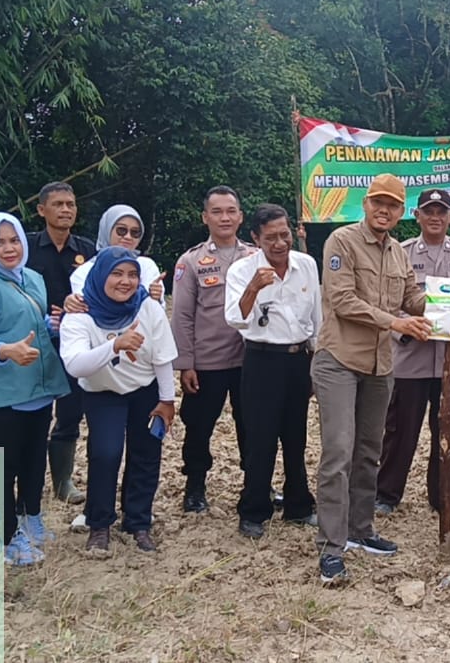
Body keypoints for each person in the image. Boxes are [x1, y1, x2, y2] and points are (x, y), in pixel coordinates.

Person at [312, 174, 431, 584]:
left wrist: (446, 299)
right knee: (338, 453)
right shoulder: (341, 242)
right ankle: (331, 546)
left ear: (401, 212)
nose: (385, 210)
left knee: (368, 451)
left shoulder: (399, 253)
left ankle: (361, 531)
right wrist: (396, 321)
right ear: (365, 204)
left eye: (393, 205)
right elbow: (342, 301)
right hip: (339, 360)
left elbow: (414, 298)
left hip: (380, 366)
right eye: (378, 202)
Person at [0, 213, 70, 566]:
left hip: (37, 389)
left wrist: (53, 326)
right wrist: (7, 350)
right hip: (0, 395)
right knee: (5, 468)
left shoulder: (33, 278)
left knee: (35, 461)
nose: (9, 248)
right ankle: (6, 537)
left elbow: (37, 327)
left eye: (15, 240)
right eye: (0, 242)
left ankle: (31, 518)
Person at [374, 189, 450, 524]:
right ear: (417, 216)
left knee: (447, 431)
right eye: (428, 211)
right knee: (400, 432)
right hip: (411, 360)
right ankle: (387, 494)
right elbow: (388, 300)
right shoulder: (401, 252)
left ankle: (445, 499)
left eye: (442, 211)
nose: (435, 217)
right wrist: (403, 328)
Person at [59, 247, 178, 556]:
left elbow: (163, 356)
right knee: (105, 453)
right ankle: (99, 524)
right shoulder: (80, 314)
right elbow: (75, 365)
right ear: (100, 277)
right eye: (117, 274)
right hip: (102, 393)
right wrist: (115, 346)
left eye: (132, 275)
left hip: (145, 391)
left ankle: (138, 522)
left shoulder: (148, 308)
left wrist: (167, 400)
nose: (125, 282)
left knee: (146, 453)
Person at [224, 204, 320, 538]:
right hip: (262, 359)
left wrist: (316, 360)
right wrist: (253, 287)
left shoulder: (306, 264)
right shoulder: (241, 270)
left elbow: (316, 318)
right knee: (260, 438)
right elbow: (236, 319)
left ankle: (299, 505)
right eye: (271, 238)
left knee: (296, 437)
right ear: (255, 238)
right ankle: (253, 509)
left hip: (298, 359)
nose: (279, 243)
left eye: (284, 235)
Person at [170, 186, 257, 513]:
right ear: (205, 217)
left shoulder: (254, 256)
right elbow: (182, 315)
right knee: (198, 425)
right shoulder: (191, 261)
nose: (225, 217)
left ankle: (255, 483)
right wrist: (186, 364)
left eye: (231, 211)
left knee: (252, 424)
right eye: (217, 211)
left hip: (249, 360)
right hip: (207, 362)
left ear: (240, 216)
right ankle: (194, 487)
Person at [25, 181, 96, 509]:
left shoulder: (87, 249)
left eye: (70, 204)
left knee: (70, 411)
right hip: (33, 340)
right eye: (58, 204)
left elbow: (98, 292)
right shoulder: (25, 248)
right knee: (34, 413)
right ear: (42, 210)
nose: (66, 210)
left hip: (74, 341)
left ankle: (62, 481)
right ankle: (29, 477)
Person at [68, 205, 166, 305]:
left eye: (135, 232)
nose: (128, 237)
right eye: (121, 230)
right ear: (107, 230)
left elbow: (154, 310)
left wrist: (156, 297)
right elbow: (85, 308)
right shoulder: (85, 272)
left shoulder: (146, 266)